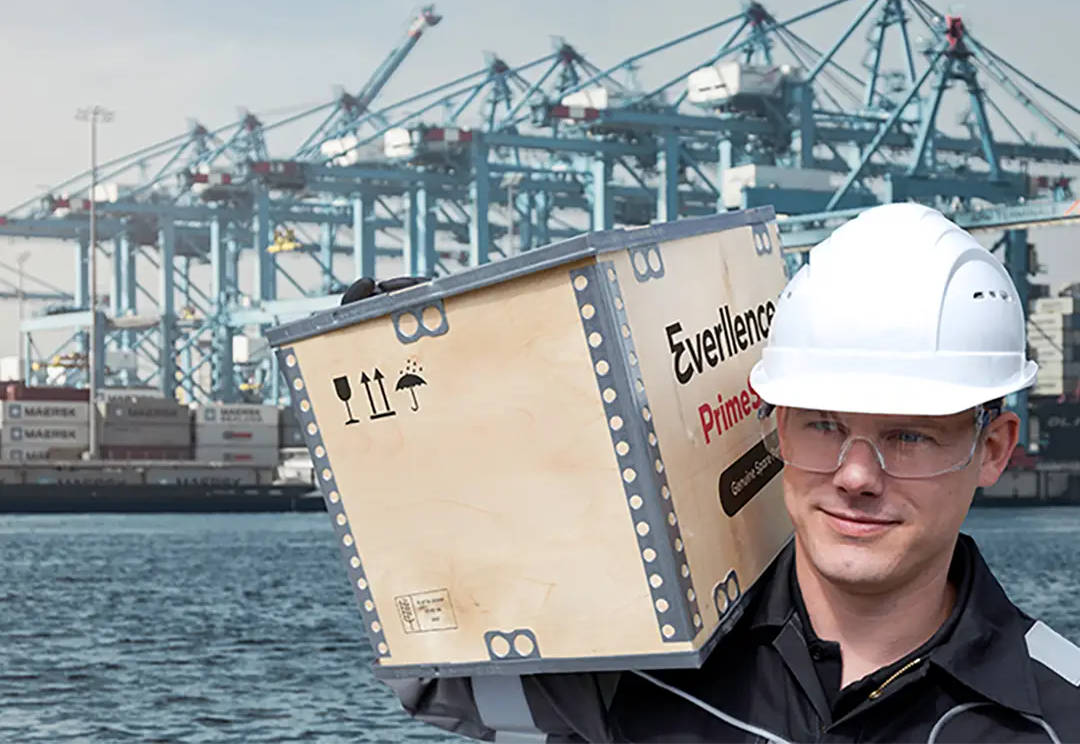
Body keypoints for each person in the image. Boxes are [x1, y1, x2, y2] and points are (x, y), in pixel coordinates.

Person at [344, 203, 1080, 743]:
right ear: (774, 424)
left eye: (909, 435)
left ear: (994, 448)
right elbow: (432, 667)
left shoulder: (1060, 714)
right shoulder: (633, 660)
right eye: (823, 424)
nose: (857, 475)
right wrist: (449, 398)